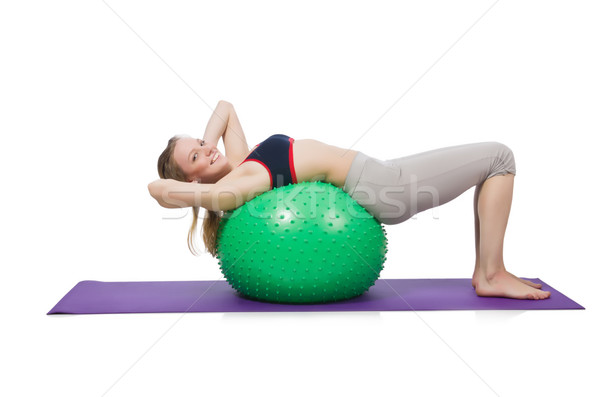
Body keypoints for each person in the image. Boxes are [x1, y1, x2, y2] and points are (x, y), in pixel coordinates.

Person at [148, 100, 550, 300]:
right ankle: (492, 273)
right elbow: (160, 190)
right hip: (382, 187)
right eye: (196, 157)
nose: (207, 148)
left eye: (202, 143)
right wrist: (196, 190)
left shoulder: (237, 162)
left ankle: (488, 270)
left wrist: (204, 147)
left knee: (494, 159)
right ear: (190, 178)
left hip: (379, 171)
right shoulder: (237, 185)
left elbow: (225, 108)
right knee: (500, 157)